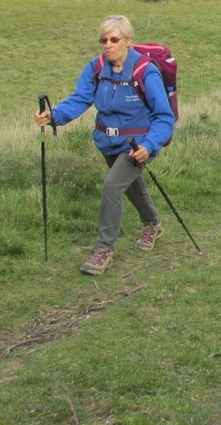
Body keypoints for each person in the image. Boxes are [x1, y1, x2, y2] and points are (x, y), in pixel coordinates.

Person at [33, 15, 175, 276]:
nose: (107, 45)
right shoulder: (97, 68)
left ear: (128, 41)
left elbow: (164, 117)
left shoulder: (145, 71)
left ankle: (103, 250)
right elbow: (80, 99)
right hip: (106, 141)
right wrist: (54, 115)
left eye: (113, 39)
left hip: (136, 144)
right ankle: (152, 224)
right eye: (103, 40)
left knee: (112, 186)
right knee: (128, 183)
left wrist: (150, 145)